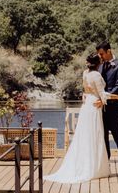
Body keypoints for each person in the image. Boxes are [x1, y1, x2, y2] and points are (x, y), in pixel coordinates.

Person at [44, 53, 110, 183]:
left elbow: (85, 91)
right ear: (98, 63)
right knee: (94, 135)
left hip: (87, 105)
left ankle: (86, 164)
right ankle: (94, 168)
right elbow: (102, 94)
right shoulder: (96, 75)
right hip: (95, 105)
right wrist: (114, 97)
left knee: (85, 134)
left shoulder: (85, 73)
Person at [95, 40, 118, 178]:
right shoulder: (99, 66)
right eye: (99, 54)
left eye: (102, 54)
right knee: (103, 140)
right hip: (100, 110)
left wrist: (104, 97)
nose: (100, 56)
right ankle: (106, 167)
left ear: (109, 51)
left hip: (113, 109)